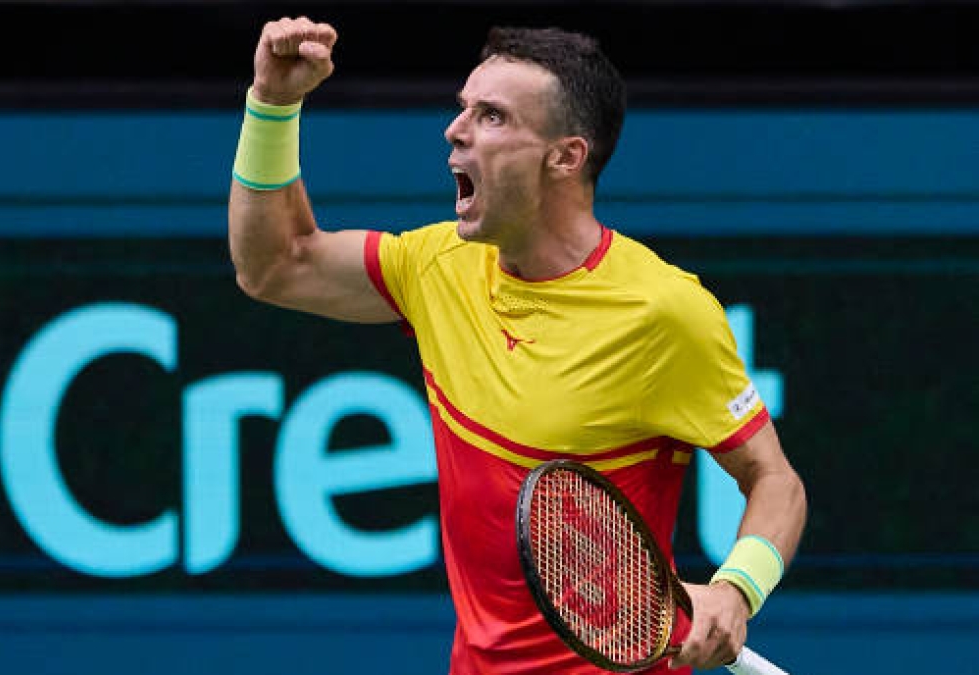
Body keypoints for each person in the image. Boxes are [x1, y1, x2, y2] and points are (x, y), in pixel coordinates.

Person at [228, 16, 807, 675]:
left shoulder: (663, 313)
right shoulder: (438, 265)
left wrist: (737, 589)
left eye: (493, 116)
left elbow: (775, 480)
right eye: (464, 108)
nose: (456, 129)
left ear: (565, 156)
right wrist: (274, 104)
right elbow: (275, 264)